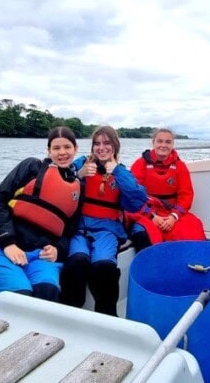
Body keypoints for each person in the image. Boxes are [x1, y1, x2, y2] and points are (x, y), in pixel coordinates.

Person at [0, 126, 81, 302]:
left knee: (47, 292)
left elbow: (70, 229)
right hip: (3, 248)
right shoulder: (31, 167)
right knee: (20, 297)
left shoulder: (77, 187)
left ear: (75, 149)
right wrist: (8, 243)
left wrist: (58, 250)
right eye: (56, 148)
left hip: (39, 255)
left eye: (67, 147)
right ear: (48, 150)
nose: (62, 153)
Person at [59, 126, 147, 316]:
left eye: (106, 143)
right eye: (97, 143)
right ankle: (69, 312)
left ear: (114, 146)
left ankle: (107, 316)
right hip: (80, 228)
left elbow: (137, 201)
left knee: (104, 267)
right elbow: (59, 181)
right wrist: (77, 175)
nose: (101, 148)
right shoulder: (82, 163)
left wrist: (117, 172)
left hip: (107, 229)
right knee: (77, 261)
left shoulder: (122, 172)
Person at [127, 128, 207, 245]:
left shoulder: (180, 166)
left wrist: (173, 217)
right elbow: (133, 196)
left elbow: (186, 195)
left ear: (173, 144)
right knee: (142, 234)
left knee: (194, 227)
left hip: (171, 212)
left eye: (168, 142)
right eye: (160, 141)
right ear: (153, 143)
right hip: (146, 212)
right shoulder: (140, 164)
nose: (163, 145)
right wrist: (152, 216)